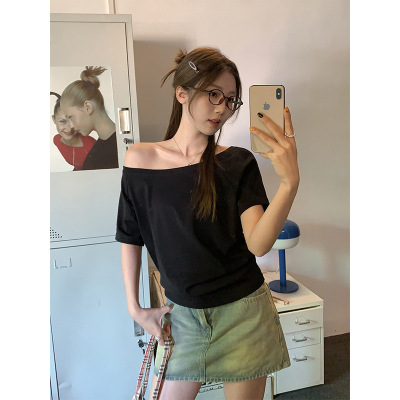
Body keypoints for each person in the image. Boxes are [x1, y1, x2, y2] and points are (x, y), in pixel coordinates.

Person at [116, 47, 299, 400]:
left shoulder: (237, 163)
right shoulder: (140, 159)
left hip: (244, 316)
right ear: (182, 93)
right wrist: (134, 306)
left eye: (230, 100)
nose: (222, 108)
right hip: (182, 318)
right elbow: (130, 235)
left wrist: (289, 183)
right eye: (213, 94)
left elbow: (258, 244)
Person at [60, 67, 118, 170]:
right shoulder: (104, 148)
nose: (71, 126)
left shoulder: (114, 150)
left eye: (71, 117)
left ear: (88, 107)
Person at [51, 92, 96, 171]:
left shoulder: (91, 146)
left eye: (74, 121)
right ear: (54, 119)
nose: (69, 128)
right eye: (63, 121)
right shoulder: (57, 140)